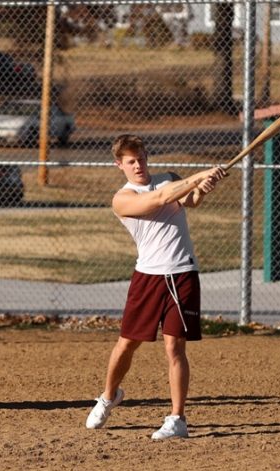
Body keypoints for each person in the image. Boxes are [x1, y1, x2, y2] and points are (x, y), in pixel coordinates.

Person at [84, 134, 225, 440]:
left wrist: (203, 187)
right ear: (119, 165)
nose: (139, 165)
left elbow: (189, 200)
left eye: (142, 158)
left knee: (174, 346)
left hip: (183, 272)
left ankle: (177, 419)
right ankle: (109, 396)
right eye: (131, 161)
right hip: (148, 277)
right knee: (128, 343)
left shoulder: (169, 179)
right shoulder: (122, 198)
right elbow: (159, 200)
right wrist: (198, 175)